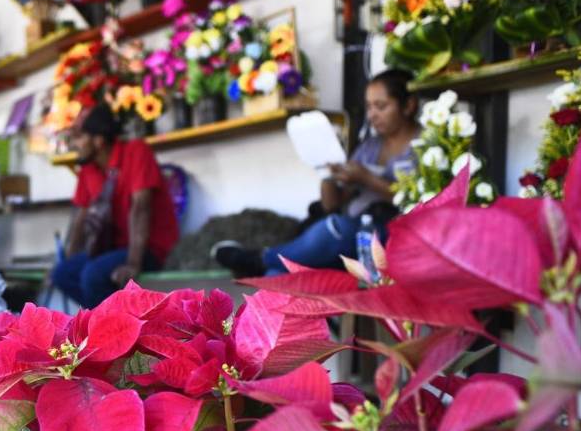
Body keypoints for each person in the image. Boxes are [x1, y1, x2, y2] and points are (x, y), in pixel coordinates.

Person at [215, 69, 420, 276]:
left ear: (409, 105)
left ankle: (259, 259)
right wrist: (327, 171)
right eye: (368, 107)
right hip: (350, 235)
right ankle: (264, 265)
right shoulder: (369, 147)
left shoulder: (424, 146)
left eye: (381, 106)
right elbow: (331, 204)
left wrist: (367, 178)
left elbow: (422, 201)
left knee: (334, 228)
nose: (372, 115)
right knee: (276, 275)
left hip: (387, 234)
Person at [51, 103, 179, 308]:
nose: (74, 144)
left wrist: (133, 264)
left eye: (79, 137)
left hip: (149, 249)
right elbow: (80, 219)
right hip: (111, 249)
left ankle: (108, 331)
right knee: (63, 274)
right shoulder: (88, 168)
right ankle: (110, 321)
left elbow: (141, 207)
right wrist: (68, 259)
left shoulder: (136, 151)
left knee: (91, 275)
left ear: (99, 140)